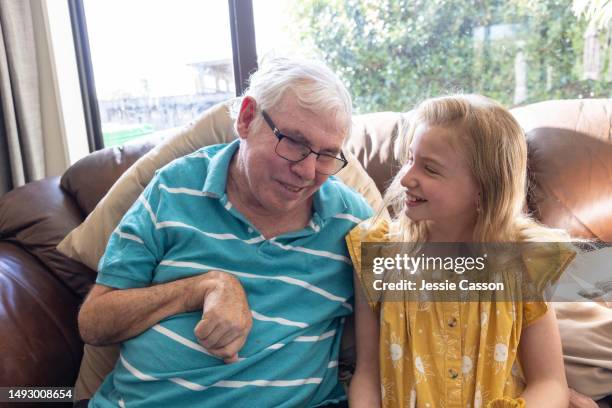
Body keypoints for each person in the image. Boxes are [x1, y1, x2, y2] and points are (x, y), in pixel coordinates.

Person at [77, 57, 372, 407]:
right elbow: (94, 323)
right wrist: (201, 287)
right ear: (247, 119)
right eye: (294, 142)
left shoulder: (351, 221)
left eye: (326, 155)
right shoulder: (174, 188)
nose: (307, 172)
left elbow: (432, 294)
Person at [346, 94, 575, 407]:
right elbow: (368, 375)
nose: (406, 178)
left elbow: (549, 382)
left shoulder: (524, 260)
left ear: (484, 187)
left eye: (430, 169)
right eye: (410, 159)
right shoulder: (378, 254)